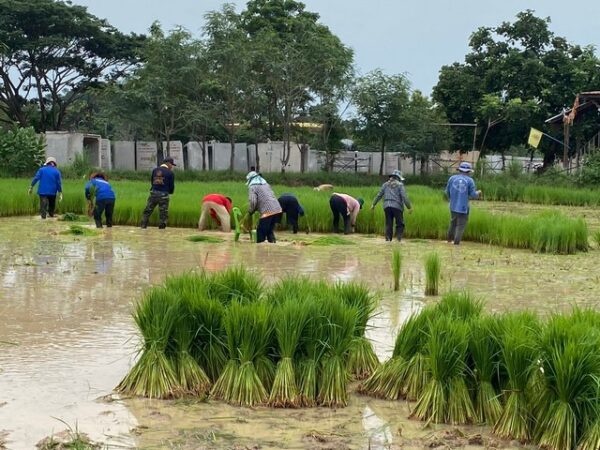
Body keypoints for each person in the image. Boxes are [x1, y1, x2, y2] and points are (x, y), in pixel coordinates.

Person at [445, 161, 482, 245]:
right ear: (468, 171)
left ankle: (449, 241)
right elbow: (473, 195)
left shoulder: (452, 178)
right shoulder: (470, 181)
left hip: (452, 206)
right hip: (463, 208)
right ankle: (456, 244)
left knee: (453, 223)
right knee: (460, 226)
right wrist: (479, 192)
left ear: (459, 170)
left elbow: (447, 192)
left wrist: (451, 199)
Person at [371, 169, 412, 242]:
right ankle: (398, 239)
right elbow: (404, 197)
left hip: (386, 206)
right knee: (400, 224)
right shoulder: (400, 185)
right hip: (397, 206)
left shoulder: (385, 184)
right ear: (398, 178)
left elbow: (379, 195)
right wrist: (409, 207)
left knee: (388, 224)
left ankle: (388, 239)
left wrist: (373, 204)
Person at [246, 171, 282, 243]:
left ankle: (259, 247)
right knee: (269, 230)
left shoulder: (253, 187)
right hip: (277, 209)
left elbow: (253, 201)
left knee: (261, 232)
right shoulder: (266, 184)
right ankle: (272, 244)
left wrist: (250, 211)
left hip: (268, 211)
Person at [141, 157, 176, 229]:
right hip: (164, 195)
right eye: (171, 165)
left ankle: (143, 226)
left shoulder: (155, 170)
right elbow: (171, 186)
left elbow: (152, 182)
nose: (172, 166)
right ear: (168, 163)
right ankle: (161, 230)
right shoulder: (170, 173)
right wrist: (170, 192)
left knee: (148, 210)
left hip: (153, 194)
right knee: (163, 213)